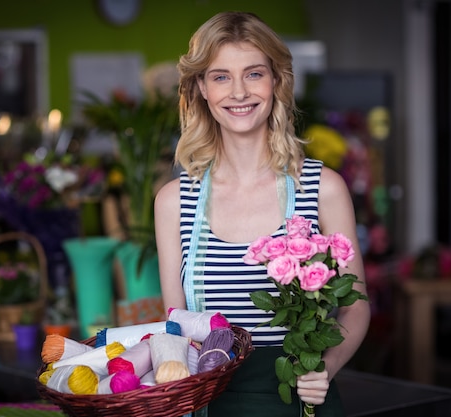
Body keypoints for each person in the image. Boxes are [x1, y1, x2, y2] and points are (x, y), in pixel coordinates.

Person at [154, 11, 370, 417]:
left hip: (302, 399)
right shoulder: (173, 201)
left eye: (253, 74)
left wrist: (327, 366)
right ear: (200, 87)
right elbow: (175, 323)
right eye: (220, 77)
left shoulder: (322, 189)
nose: (238, 92)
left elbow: (356, 305)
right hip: (209, 404)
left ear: (276, 81)